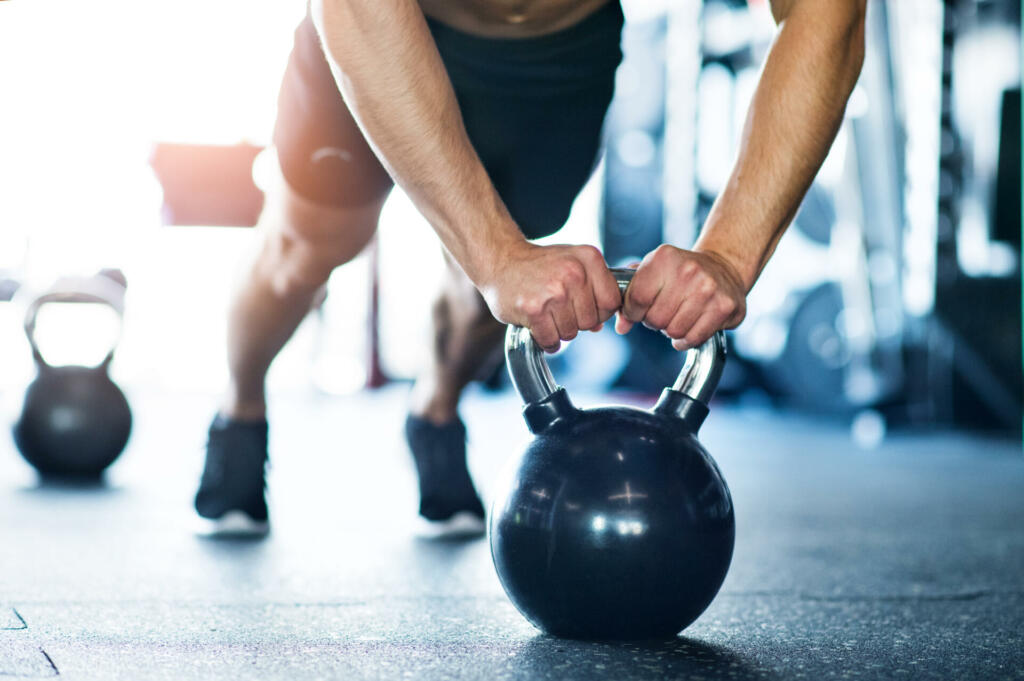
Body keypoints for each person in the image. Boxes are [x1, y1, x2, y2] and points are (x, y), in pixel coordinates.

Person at [193, 0, 867, 536]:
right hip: (379, 25)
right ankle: (240, 406)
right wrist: (495, 255)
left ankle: (435, 409)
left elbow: (825, 10)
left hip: (554, 60)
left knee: (492, 300)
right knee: (302, 253)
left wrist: (728, 253)